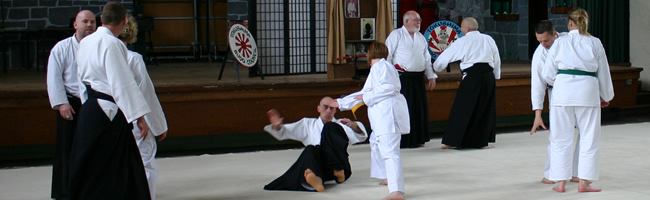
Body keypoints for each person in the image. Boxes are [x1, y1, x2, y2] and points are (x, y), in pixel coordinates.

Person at [69, 2, 152, 199]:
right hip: (108, 110)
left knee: (88, 160)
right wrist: (139, 116)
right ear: (124, 21)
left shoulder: (86, 42)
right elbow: (122, 81)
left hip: (90, 107)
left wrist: (84, 101)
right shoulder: (112, 43)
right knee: (112, 163)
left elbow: (81, 77)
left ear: (101, 19)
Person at [541, 8, 614, 193]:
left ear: (570, 23)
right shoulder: (595, 43)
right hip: (587, 91)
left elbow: (548, 73)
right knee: (589, 137)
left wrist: (560, 82)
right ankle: (583, 181)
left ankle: (561, 183)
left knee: (560, 138)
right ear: (585, 22)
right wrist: (606, 95)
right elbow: (603, 72)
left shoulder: (559, 43)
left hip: (563, 92)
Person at [336, 41, 409, 200]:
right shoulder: (380, 68)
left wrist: (366, 97)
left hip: (387, 115)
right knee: (376, 142)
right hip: (383, 115)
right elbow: (364, 93)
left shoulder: (382, 67)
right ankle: (387, 176)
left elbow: (386, 88)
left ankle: (396, 191)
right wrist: (340, 103)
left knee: (390, 151)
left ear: (369, 56)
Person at [263, 97, 368, 192]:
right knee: (310, 149)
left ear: (335, 110)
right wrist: (277, 127)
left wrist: (355, 126)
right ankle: (316, 180)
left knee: (330, 127)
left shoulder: (340, 125)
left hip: (340, 168)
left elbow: (360, 136)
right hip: (318, 167)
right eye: (325, 107)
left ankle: (338, 170)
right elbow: (285, 132)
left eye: (331, 108)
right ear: (318, 109)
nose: (328, 111)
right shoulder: (307, 124)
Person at [46, 10, 96, 200]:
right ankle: (65, 191)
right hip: (71, 102)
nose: (89, 25)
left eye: (92, 22)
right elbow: (54, 78)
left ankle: (90, 189)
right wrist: (61, 104)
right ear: (76, 25)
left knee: (92, 148)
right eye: (85, 22)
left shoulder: (98, 46)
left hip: (93, 101)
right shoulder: (62, 48)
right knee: (67, 149)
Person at [119, 14, 169, 200]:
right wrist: (159, 126)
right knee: (145, 161)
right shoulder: (133, 59)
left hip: (106, 116)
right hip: (134, 118)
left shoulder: (95, 53)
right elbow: (146, 93)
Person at [432, 17, 501, 149]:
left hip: (472, 77)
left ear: (466, 29)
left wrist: (436, 67)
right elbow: (496, 59)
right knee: (483, 109)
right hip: (488, 76)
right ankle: (481, 142)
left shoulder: (463, 41)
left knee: (462, 108)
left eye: (462, 27)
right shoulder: (488, 39)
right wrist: (496, 76)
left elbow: (446, 57)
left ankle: (454, 140)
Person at [529, 20, 581, 185]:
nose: (543, 44)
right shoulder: (540, 54)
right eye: (540, 41)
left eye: (546, 40)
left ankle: (578, 171)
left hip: (580, 88)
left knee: (584, 131)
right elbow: (537, 84)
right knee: (558, 134)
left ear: (555, 34)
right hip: (557, 91)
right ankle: (552, 172)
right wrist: (538, 113)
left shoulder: (569, 40)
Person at [385, 10, 437, 148]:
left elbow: (426, 58)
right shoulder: (396, 35)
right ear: (407, 21)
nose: (419, 22)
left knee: (418, 108)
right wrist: (390, 76)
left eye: (419, 20)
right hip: (402, 78)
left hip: (418, 78)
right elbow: (387, 56)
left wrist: (431, 75)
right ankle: (403, 139)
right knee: (404, 108)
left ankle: (418, 138)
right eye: (416, 20)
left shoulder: (421, 37)